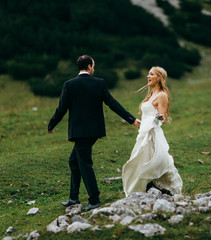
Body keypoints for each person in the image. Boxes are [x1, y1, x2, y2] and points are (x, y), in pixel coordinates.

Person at [48, 55, 141, 211]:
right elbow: (112, 103)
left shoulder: (69, 85)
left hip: (78, 132)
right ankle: (73, 197)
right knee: (74, 161)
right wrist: (131, 119)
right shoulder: (99, 83)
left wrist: (52, 124)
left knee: (84, 163)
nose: (94, 69)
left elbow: (61, 108)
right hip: (94, 131)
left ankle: (94, 199)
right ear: (90, 66)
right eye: (94, 66)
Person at [122, 66, 183, 196]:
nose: (148, 76)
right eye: (148, 74)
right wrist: (142, 122)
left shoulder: (162, 95)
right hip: (143, 134)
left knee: (152, 161)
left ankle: (162, 189)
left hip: (152, 135)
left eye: (151, 74)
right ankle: (144, 190)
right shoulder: (150, 95)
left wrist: (152, 122)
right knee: (140, 161)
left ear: (159, 78)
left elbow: (162, 117)